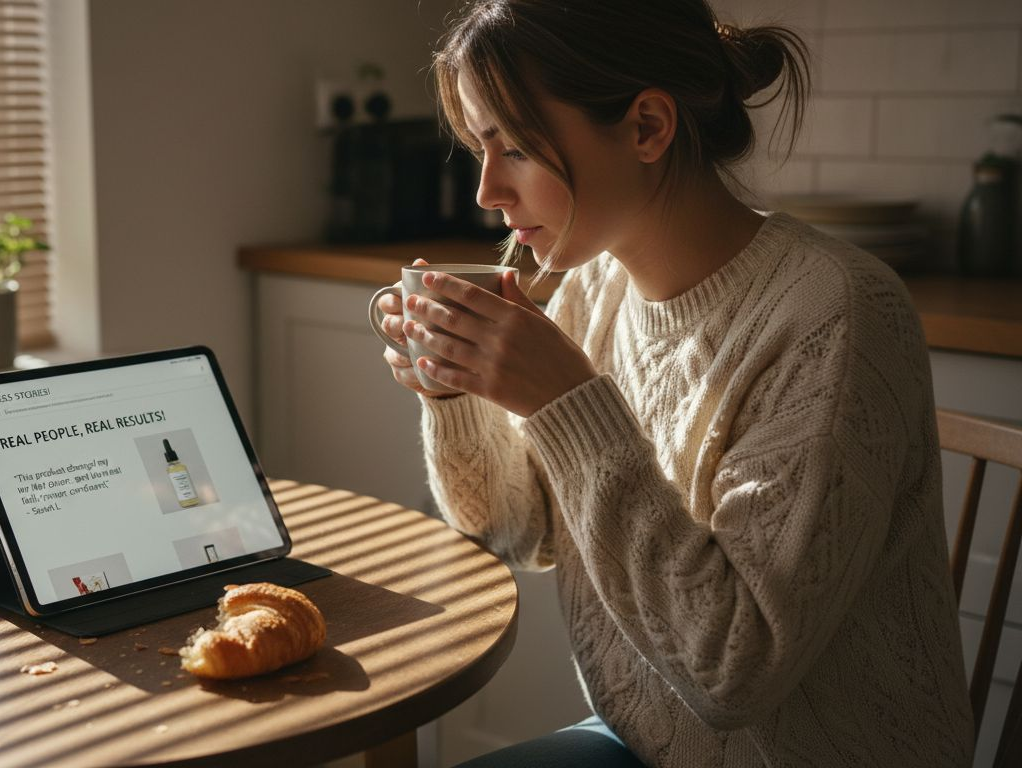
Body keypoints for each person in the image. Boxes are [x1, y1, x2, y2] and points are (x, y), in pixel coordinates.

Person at [375, 1, 976, 765]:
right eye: (478, 148)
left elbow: (734, 671)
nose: (487, 191)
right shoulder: (595, 288)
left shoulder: (837, 313)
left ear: (648, 127)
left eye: (516, 147)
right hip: (639, 744)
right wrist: (457, 390)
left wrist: (567, 404)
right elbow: (521, 532)